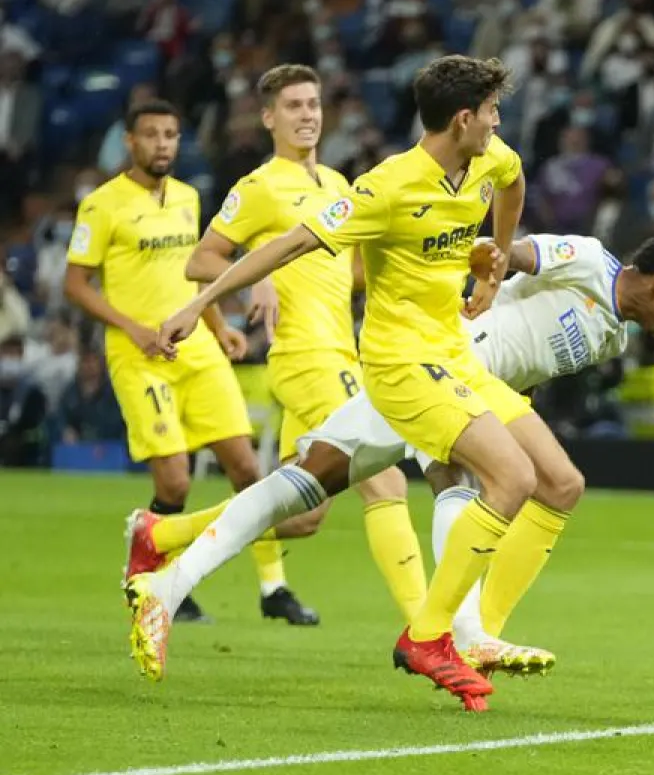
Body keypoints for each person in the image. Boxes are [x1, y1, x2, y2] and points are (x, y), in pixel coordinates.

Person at [129, 230, 654, 678]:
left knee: (308, 494)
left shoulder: (614, 333)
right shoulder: (588, 260)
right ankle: (470, 632)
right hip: (436, 366)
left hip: (465, 388)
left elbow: (527, 367)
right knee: (551, 482)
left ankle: (164, 546)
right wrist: (488, 271)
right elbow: (505, 250)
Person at [130, 56, 529, 711]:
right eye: (491, 111)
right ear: (464, 118)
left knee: (305, 494)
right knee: (507, 476)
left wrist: (495, 259)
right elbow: (282, 247)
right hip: (394, 365)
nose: (498, 123)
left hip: (437, 352)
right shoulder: (380, 186)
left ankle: (165, 574)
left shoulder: (488, 158)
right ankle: (441, 632)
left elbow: (510, 185)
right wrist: (199, 305)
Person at [122, 65, 427, 628]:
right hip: (308, 359)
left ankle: (161, 534)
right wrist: (255, 274)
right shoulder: (260, 187)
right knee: (384, 476)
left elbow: (352, 275)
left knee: (299, 514)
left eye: (313, 104)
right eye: (293, 106)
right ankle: (430, 634)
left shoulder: (338, 185)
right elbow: (200, 260)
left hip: (341, 353)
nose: (307, 114)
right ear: (269, 118)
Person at [63, 99, 315, 627]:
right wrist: (131, 326)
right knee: (175, 482)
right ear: (130, 142)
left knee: (247, 469)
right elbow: (75, 284)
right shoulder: (102, 205)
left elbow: (198, 271)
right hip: (140, 357)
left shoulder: (187, 197)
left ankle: (275, 588)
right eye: (151, 135)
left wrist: (220, 327)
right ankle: (161, 579)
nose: (162, 144)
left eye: (171, 135)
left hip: (197, 347)